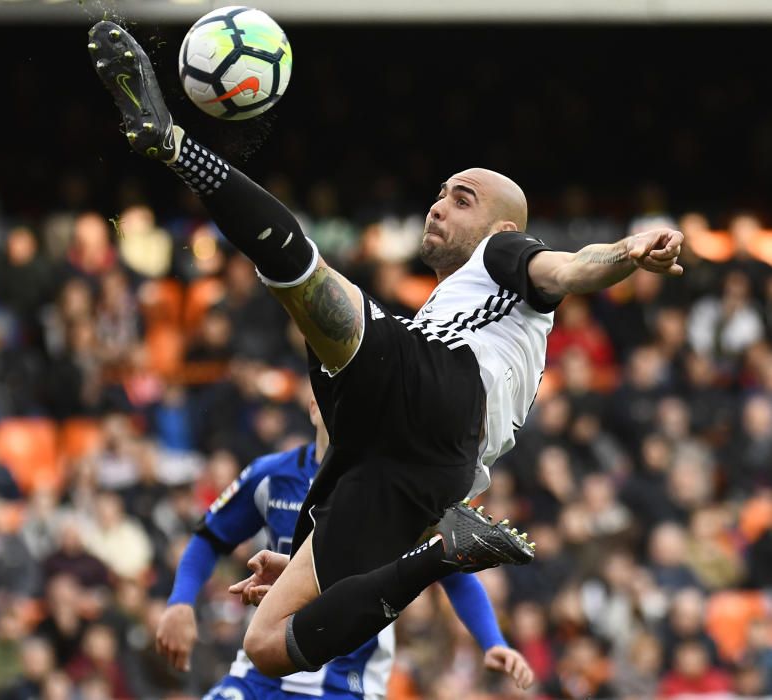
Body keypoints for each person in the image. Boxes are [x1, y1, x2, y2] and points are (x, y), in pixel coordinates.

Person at [87, 21, 685, 678]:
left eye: (461, 200)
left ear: (502, 227)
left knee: (314, 288)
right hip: (420, 476)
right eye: (438, 195)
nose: (438, 207)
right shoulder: (451, 310)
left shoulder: (503, 256)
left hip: (439, 396)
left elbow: (568, 269)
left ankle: (173, 145)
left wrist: (624, 255)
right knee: (265, 645)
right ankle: (440, 559)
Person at [157, 397, 533, 697]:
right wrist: (180, 602)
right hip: (261, 675)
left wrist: (491, 640)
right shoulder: (271, 476)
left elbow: (448, 561)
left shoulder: (394, 487)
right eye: (333, 397)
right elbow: (210, 537)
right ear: (313, 407)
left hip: (345, 683)